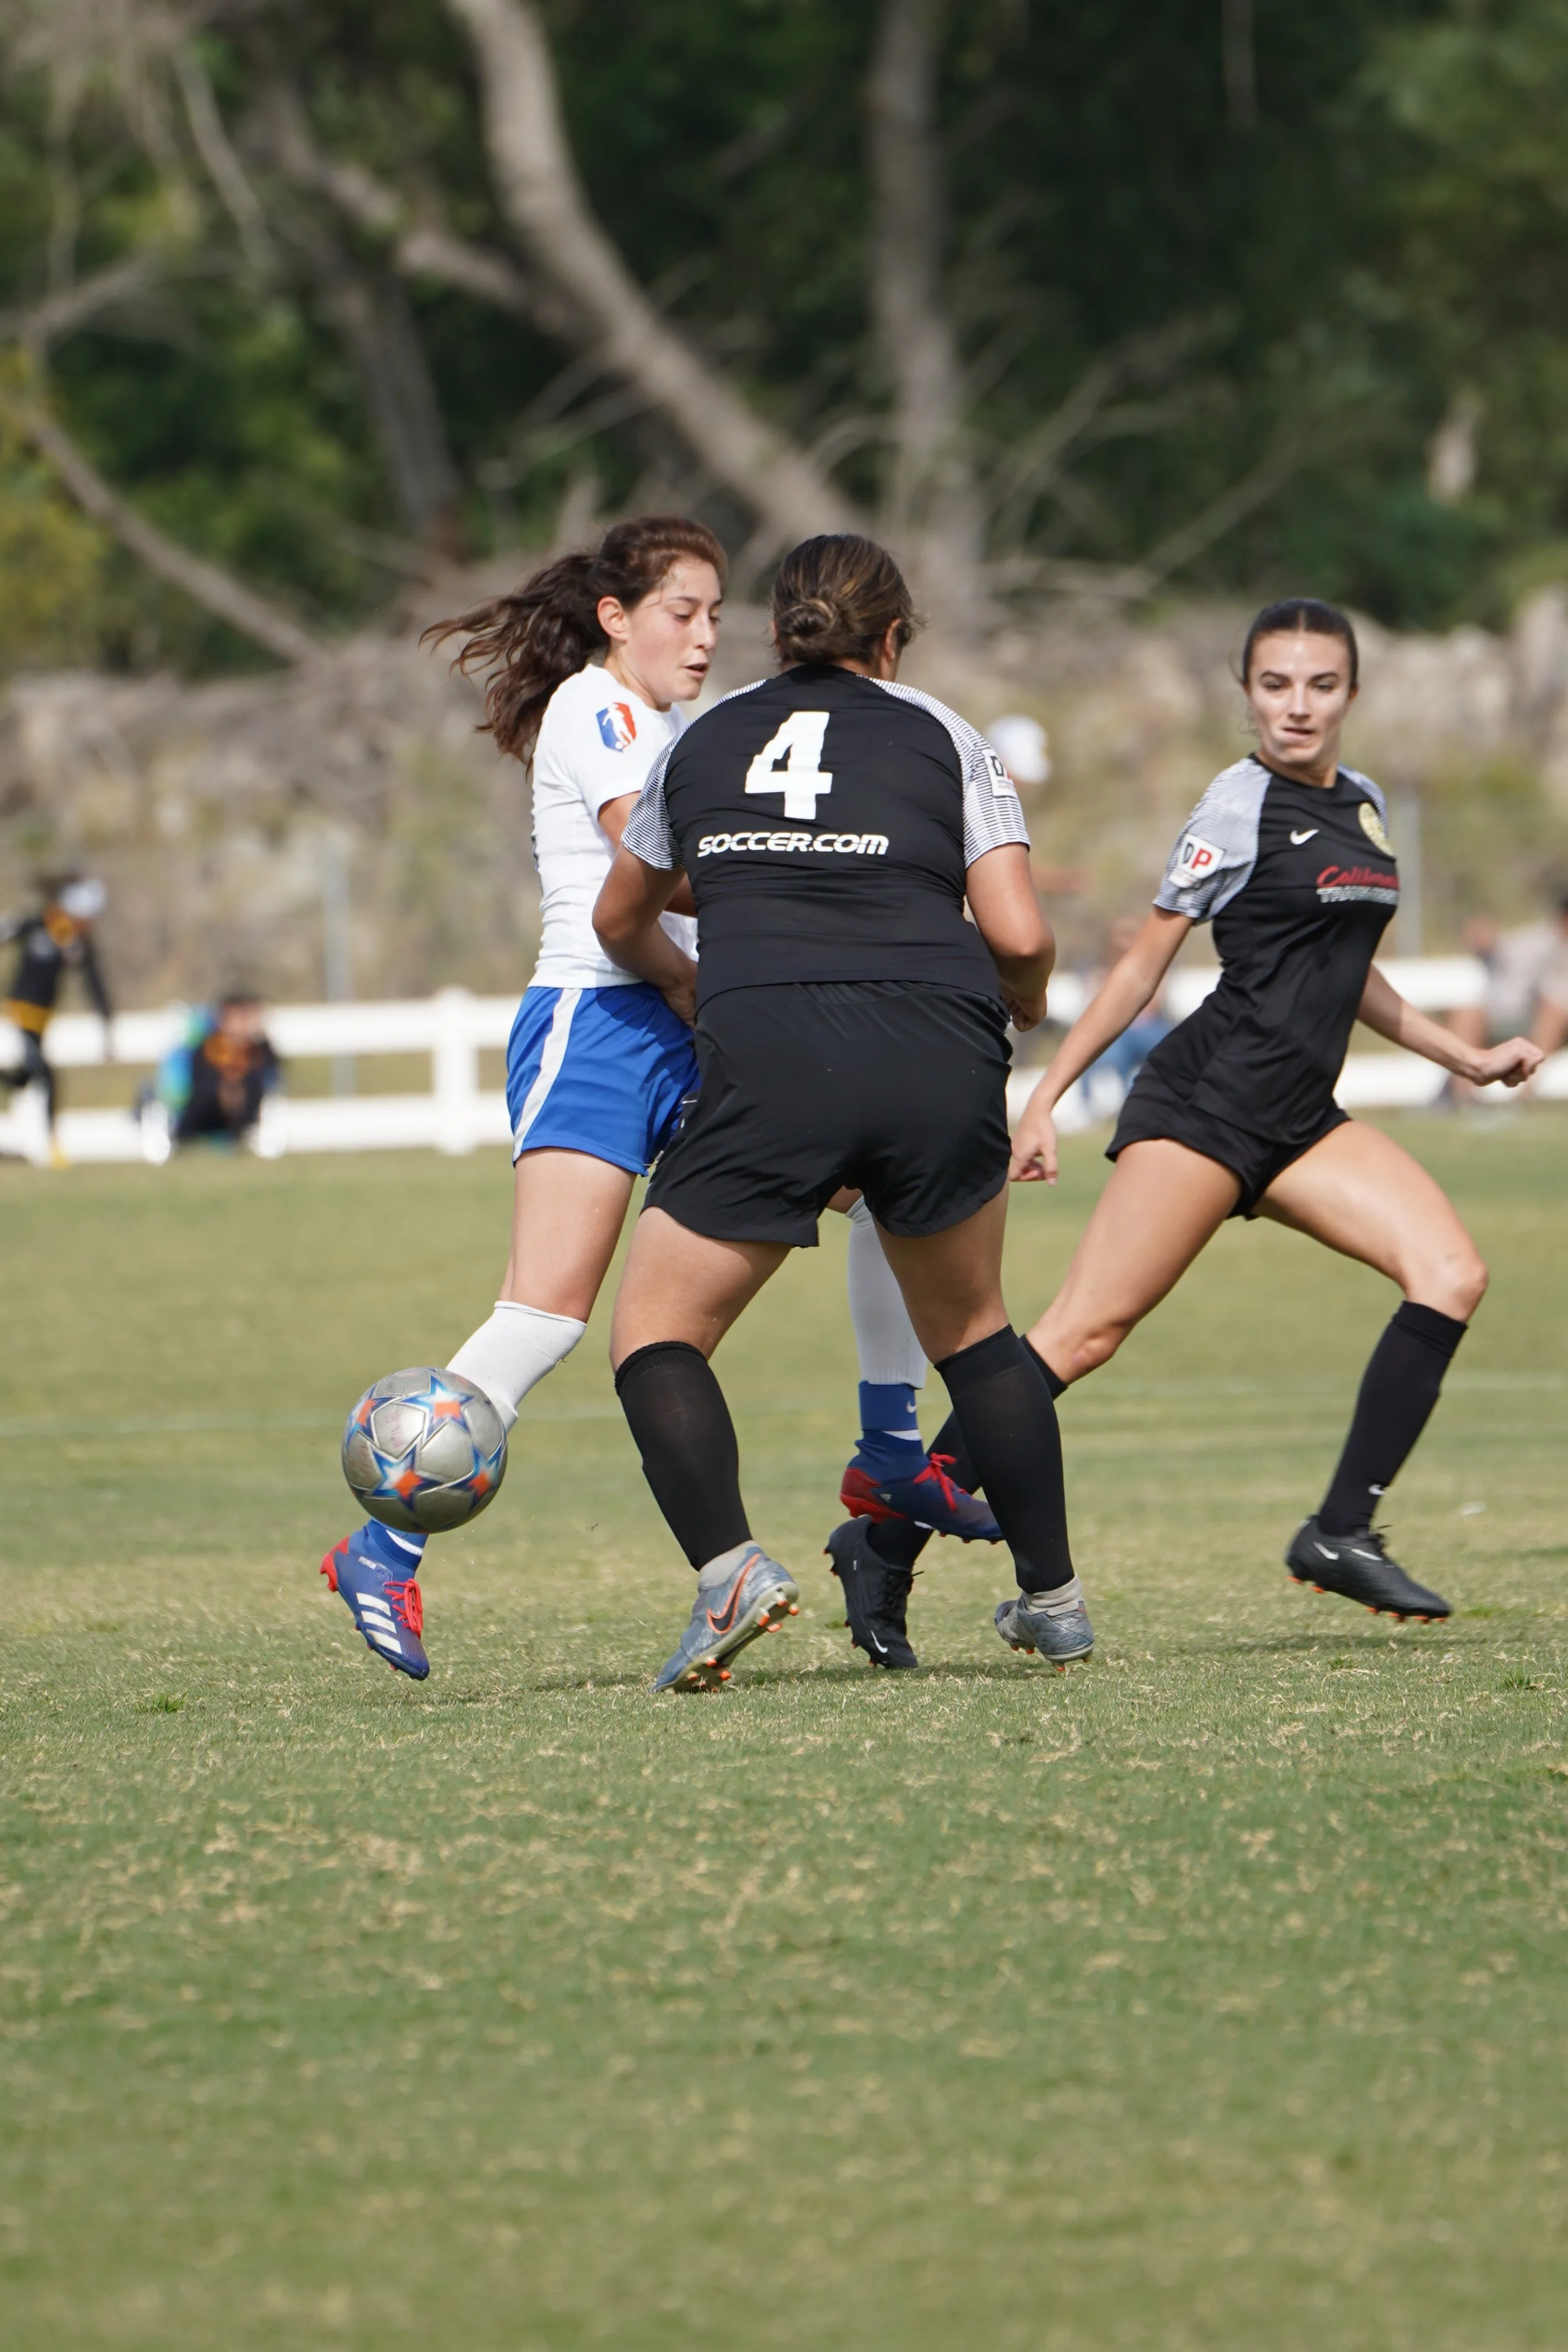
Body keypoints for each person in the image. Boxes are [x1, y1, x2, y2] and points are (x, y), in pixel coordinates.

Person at [320, 517, 987, 1682]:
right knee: (550, 1312)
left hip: (691, 1014)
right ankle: (382, 1549)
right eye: (681, 611)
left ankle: (886, 1449)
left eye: (717, 612)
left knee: (876, 1179)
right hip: (600, 1023)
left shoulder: (681, 723)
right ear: (617, 618)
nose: (703, 634)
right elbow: (672, 866)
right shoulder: (599, 708)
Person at [880, 598, 1543, 1628]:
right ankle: (883, 1536)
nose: (1298, 707)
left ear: (1352, 695)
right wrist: (1044, 1097)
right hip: (1206, 1108)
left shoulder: (1362, 805)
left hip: (1300, 1120)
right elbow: (1144, 965)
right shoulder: (1238, 804)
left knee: (1452, 1274)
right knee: (1079, 1335)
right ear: (1248, 692)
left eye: (1321, 685)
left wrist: (1469, 1056)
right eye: (1276, 685)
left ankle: (1340, 1534)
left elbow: (1351, 975)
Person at [591, 531, 1088, 1691]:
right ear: (895, 638)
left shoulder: (701, 738)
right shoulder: (946, 734)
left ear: (775, 632)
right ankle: (1054, 1602)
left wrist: (688, 978)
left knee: (657, 1337)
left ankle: (731, 1575)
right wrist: (1022, 1003)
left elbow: (624, 915)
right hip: (935, 1038)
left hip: (771, 1044)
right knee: (976, 1335)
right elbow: (1016, 931)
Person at [0, 875, 112, 1164]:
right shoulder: (36, 924)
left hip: (41, 1021)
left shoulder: (75, 943)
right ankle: (52, 1144)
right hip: (15, 1015)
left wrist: (106, 1019)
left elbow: (94, 983)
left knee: (23, 1078)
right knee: (45, 1074)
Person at [166, 995, 282, 1147]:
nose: (244, 1024)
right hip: (206, 1120)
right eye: (239, 1018)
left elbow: (272, 1078)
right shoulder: (209, 1048)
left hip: (246, 1120)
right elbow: (199, 1087)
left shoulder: (259, 1051)